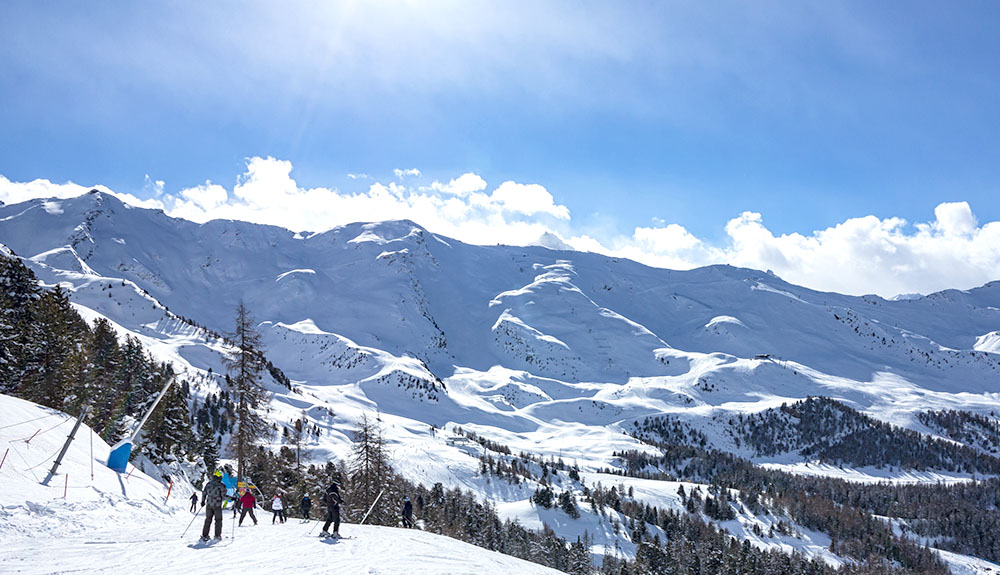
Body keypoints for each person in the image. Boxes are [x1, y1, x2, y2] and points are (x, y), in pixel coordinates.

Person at [199, 470, 227, 541]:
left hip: (209, 505)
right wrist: (232, 498)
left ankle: (205, 535)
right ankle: (217, 536)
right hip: (217, 505)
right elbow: (224, 496)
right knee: (218, 520)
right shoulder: (221, 485)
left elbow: (204, 493)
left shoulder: (208, 484)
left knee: (208, 520)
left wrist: (203, 501)